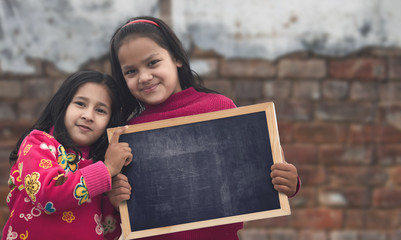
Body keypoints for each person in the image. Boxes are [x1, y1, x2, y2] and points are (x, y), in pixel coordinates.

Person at [108, 16, 301, 240]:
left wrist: (289, 181)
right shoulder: (128, 133)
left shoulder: (219, 108)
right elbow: (119, 213)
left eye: (153, 63)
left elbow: (258, 173)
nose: (144, 77)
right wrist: (114, 197)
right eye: (131, 71)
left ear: (177, 59)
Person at [2, 70, 133, 240]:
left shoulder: (101, 163)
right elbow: (49, 195)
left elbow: (108, 233)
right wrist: (107, 170)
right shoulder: (38, 144)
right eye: (80, 103)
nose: (88, 116)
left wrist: (114, 205)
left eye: (100, 110)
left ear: (110, 121)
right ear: (63, 105)